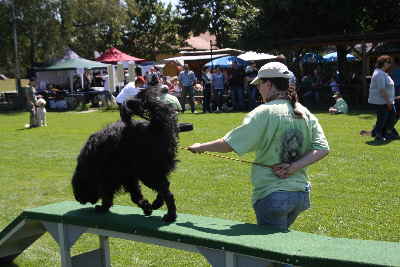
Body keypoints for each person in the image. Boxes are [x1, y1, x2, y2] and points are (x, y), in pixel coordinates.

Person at [188, 62, 329, 236]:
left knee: (274, 255)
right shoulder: (304, 112)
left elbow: (229, 144)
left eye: (259, 84)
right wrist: (294, 167)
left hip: (273, 195)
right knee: (279, 248)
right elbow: (322, 148)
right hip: (300, 195)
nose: (258, 89)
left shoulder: (264, 112)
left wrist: (200, 147)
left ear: (269, 84)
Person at [368, 55, 397, 142]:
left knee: (390, 116)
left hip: (387, 100)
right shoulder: (379, 74)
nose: (389, 64)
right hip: (381, 101)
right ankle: (378, 135)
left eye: (390, 62)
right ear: (383, 63)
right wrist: (388, 102)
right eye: (388, 62)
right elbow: (382, 89)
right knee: (383, 118)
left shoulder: (383, 73)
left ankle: (382, 132)